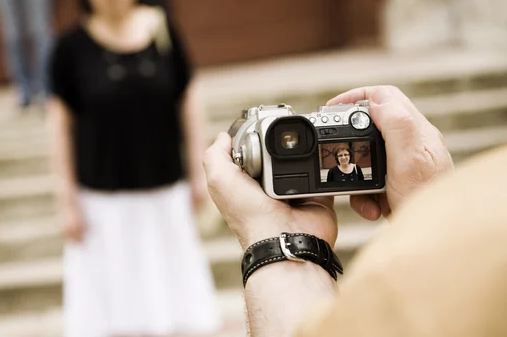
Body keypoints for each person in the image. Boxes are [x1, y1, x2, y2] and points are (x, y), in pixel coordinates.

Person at [203, 86, 507, 336]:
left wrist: (270, 237)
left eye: (349, 151)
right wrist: (432, 202)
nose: (345, 154)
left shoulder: (401, 281)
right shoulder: (488, 213)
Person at [46, 0, 220, 336]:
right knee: (115, 302)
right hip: (102, 198)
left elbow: (188, 99)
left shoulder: (161, 29)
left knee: (175, 293)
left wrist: (199, 171)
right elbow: (58, 125)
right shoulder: (69, 49)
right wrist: (66, 199)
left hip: (165, 188)